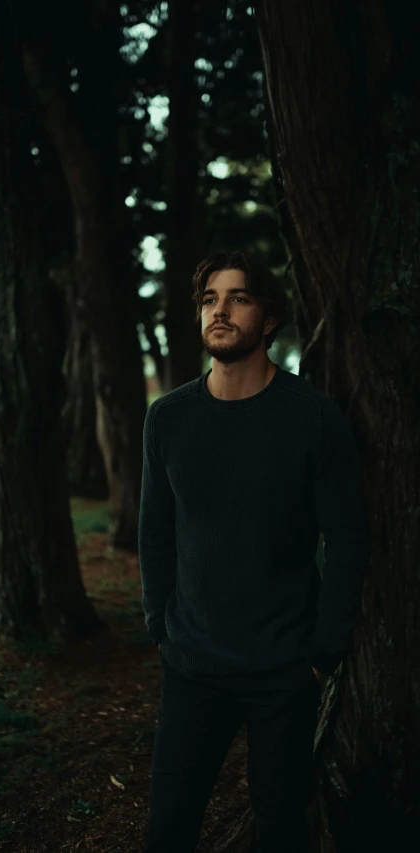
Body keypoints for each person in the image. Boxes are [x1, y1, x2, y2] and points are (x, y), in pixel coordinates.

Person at [138, 249, 370, 853]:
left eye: (237, 297)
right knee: (168, 826)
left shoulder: (312, 419)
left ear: (268, 319)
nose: (220, 310)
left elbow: (346, 536)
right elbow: (155, 530)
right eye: (210, 298)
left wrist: (323, 650)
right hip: (192, 663)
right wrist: (159, 624)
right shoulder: (168, 420)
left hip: (284, 668)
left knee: (280, 829)